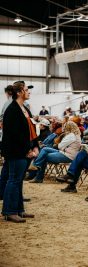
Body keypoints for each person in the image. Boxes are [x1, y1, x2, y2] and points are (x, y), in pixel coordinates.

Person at [1, 82, 38, 223]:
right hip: (15, 151)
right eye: (26, 90)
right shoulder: (12, 110)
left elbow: (30, 129)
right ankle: (9, 211)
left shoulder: (24, 108)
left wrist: (35, 145)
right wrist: (27, 150)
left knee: (18, 181)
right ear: (19, 92)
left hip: (24, 150)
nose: (29, 92)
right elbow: (14, 134)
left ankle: (19, 210)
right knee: (13, 180)